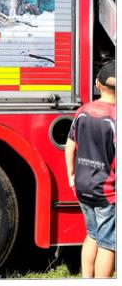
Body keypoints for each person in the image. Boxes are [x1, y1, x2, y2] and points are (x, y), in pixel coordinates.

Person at [65, 60, 116, 278]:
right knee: (109, 243)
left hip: (82, 186)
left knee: (91, 235)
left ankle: (87, 278)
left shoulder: (82, 111)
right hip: (107, 191)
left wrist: (71, 175)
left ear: (97, 84)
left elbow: (70, 145)